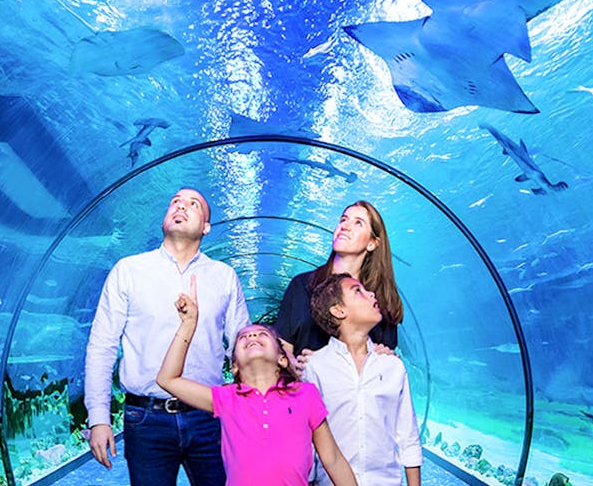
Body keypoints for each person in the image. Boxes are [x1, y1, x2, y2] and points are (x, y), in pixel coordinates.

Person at [84, 188, 250, 486]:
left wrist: (251, 410)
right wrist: (98, 418)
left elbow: (243, 347)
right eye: (175, 201)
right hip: (146, 419)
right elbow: (101, 346)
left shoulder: (224, 276)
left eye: (193, 204)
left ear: (206, 227)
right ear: (163, 219)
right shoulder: (129, 271)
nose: (181, 206)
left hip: (208, 415)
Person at [157, 275, 358, 486]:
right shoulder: (226, 398)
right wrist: (189, 324)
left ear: (282, 358)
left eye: (262, 334)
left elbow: (333, 459)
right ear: (234, 366)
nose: (252, 337)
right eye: (243, 337)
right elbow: (167, 379)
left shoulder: (305, 393)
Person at [304, 273, 422, 486]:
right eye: (357, 291)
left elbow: (408, 436)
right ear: (339, 310)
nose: (371, 294)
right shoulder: (315, 367)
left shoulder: (392, 366)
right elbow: (309, 440)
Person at [274, 200, 403, 358]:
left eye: (358, 223)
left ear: (372, 243)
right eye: (343, 219)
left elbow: (387, 352)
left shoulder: (380, 299)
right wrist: (295, 366)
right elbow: (282, 343)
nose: (345, 226)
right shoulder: (301, 285)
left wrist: (387, 356)